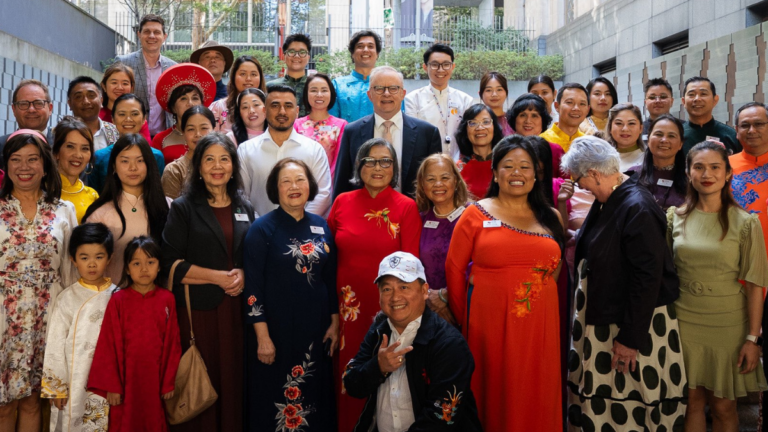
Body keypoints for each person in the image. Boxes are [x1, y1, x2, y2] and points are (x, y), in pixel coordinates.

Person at [561, 136, 686, 430]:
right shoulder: (612, 199)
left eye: (580, 180)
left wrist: (630, 339)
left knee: (631, 401)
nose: (580, 187)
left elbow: (647, 278)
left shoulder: (636, 206)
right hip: (609, 318)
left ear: (592, 173)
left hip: (632, 326)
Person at [445, 135, 565, 431]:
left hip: (540, 326)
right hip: (489, 325)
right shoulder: (475, 213)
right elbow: (454, 268)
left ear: (536, 176)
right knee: (495, 391)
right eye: (508, 166)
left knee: (535, 390)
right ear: (495, 174)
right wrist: (465, 321)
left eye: (525, 167)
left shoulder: (551, 217)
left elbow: (557, 268)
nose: (517, 173)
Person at [668, 141, 768, 431]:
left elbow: (754, 286)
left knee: (724, 408)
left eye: (715, 167)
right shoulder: (674, 217)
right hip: (684, 321)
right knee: (692, 403)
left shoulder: (746, 223)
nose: (706, 173)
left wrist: (753, 338)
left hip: (729, 325)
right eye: (698, 167)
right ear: (688, 173)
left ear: (728, 174)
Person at [327, 138, 422, 432]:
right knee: (350, 372)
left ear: (394, 168)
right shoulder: (342, 201)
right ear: (359, 165)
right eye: (370, 160)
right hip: (347, 310)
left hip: (391, 308)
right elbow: (330, 256)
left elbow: (411, 267)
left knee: (388, 374)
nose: (377, 167)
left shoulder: (406, 207)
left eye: (385, 161)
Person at [162, 133, 255, 432]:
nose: (218, 166)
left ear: (233, 165)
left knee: (234, 381)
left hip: (237, 312)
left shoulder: (245, 207)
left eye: (224, 159)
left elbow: (249, 256)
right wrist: (218, 278)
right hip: (198, 314)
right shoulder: (183, 207)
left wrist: (242, 271)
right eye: (209, 159)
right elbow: (170, 265)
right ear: (198, 167)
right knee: (202, 382)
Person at [242, 158, 338, 432]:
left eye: (300, 180)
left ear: (310, 185)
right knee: (274, 400)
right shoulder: (261, 229)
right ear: (275, 188)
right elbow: (253, 290)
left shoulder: (322, 225)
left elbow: (329, 278)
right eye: (286, 181)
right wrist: (262, 338)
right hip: (276, 332)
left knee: (315, 396)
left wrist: (335, 321)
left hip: (315, 330)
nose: (294, 186)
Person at [343, 251, 483, 432]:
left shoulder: (449, 344)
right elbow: (352, 385)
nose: (395, 297)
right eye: (387, 289)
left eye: (404, 287)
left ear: (424, 291)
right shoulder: (379, 330)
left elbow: (440, 420)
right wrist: (378, 366)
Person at [0, 130, 77, 432]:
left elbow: (70, 273)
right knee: (4, 404)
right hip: (4, 321)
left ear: (46, 165)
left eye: (33, 159)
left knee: (33, 400)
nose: (24, 167)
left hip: (48, 318)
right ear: (6, 166)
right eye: (16, 159)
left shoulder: (63, 210)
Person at [88, 236, 181, 432]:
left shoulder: (167, 299)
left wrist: (168, 382)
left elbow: (173, 344)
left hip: (155, 380)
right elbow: (108, 344)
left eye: (150, 262)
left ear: (159, 266)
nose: (144, 269)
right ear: (128, 269)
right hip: (125, 380)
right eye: (136, 263)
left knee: (154, 420)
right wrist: (112, 386)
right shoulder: (119, 300)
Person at [41, 223, 117, 432]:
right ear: (73, 260)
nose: (92, 264)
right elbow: (55, 343)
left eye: (99, 257)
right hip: (75, 378)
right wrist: (56, 388)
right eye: (84, 258)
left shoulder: (119, 296)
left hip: (109, 380)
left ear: (110, 258)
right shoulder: (67, 298)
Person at [333, 66, 442, 199]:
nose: (386, 93)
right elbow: (342, 181)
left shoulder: (427, 133)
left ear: (403, 94)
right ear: (370, 95)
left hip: (413, 214)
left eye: (393, 88)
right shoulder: (352, 132)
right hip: (365, 214)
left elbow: (436, 182)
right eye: (379, 88)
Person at [84, 134, 170, 283]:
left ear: (149, 165)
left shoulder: (168, 206)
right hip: (113, 299)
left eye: (140, 160)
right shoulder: (100, 215)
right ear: (114, 167)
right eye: (125, 161)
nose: (133, 168)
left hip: (157, 299)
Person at [728, 102, 768, 422]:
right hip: (736, 280)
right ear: (736, 129)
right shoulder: (722, 167)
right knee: (737, 363)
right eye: (745, 125)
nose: (752, 131)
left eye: (759, 124)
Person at [238, 85, 332, 217]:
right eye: (275, 105)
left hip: (303, 232)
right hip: (259, 232)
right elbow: (242, 195)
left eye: (288, 106)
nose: (282, 111)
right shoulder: (246, 150)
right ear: (265, 110)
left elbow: (323, 194)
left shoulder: (314, 150)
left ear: (297, 111)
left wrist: (298, 224)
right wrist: (262, 226)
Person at [415, 153, 469, 325]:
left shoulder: (474, 216)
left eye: (445, 177)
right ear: (423, 185)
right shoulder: (420, 219)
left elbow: (481, 264)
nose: (438, 184)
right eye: (430, 179)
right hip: (427, 308)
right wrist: (430, 297)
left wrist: (444, 296)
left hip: (465, 307)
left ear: (456, 181)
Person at [404, 44, 476, 157]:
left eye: (446, 64)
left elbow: (471, 135)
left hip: (458, 164)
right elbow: (413, 136)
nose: (441, 69)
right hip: (426, 162)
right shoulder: (413, 99)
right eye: (434, 64)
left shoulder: (465, 100)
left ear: (453, 66)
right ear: (425, 67)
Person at [115, 14, 177, 137]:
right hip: (130, 135)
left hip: (164, 138)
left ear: (164, 37)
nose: (152, 36)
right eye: (147, 31)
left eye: (157, 32)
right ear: (139, 35)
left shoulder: (173, 68)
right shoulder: (123, 62)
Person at [91, 94, 166, 193]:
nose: (128, 119)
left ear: (144, 119)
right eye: (122, 114)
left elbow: (157, 193)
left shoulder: (156, 157)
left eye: (134, 114)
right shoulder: (100, 157)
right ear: (113, 119)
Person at [151, 64, 216, 164]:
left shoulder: (212, 134)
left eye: (195, 98)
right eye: (183, 98)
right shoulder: (160, 139)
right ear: (173, 107)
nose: (190, 103)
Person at [294, 73, 347, 179]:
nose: (319, 94)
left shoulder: (341, 125)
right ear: (306, 94)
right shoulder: (296, 124)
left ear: (331, 94)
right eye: (313, 90)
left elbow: (339, 161)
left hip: (329, 185)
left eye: (324, 90)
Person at [630, 114, 687, 211]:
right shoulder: (632, 174)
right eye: (659, 134)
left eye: (671, 136)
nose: (664, 140)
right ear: (648, 140)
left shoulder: (690, 178)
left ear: (680, 144)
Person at [162, 105, 215, 199]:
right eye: (191, 129)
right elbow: (171, 211)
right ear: (184, 133)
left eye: (204, 128)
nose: (198, 134)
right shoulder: (174, 170)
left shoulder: (222, 165)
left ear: (214, 130)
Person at [507, 93, 565, 178]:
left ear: (543, 121)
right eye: (523, 115)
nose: (528, 121)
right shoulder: (505, 149)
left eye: (534, 115)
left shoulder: (555, 151)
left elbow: (565, 185)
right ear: (514, 119)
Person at [53, 116, 99, 222]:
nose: (78, 155)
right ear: (56, 152)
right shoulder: (41, 192)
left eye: (85, 149)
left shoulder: (92, 196)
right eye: (70, 146)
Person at [328, 30, 381, 123]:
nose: (365, 50)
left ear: (377, 54)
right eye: (360, 46)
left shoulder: (388, 85)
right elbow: (331, 122)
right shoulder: (337, 85)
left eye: (370, 46)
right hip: (345, 137)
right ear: (352, 53)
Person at [0, 79, 55, 167]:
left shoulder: (63, 145)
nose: (31, 109)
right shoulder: (1, 146)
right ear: (14, 109)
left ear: (50, 108)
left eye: (38, 103)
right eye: (24, 104)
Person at [454, 104, 503, 200]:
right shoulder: (457, 169)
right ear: (465, 130)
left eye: (486, 122)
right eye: (473, 123)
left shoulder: (505, 164)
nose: (480, 128)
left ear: (494, 127)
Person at [682, 76, 740, 155]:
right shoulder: (677, 135)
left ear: (715, 100)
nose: (697, 99)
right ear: (683, 101)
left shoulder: (731, 135)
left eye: (703, 94)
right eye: (691, 94)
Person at [210, 56, 268, 134]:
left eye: (253, 74)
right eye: (243, 74)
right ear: (233, 77)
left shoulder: (270, 107)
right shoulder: (218, 108)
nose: (248, 78)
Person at [100, 62, 152, 141]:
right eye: (114, 83)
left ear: (131, 87)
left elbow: (146, 149)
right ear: (104, 86)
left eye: (125, 83)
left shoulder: (138, 117)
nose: (120, 87)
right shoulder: (97, 117)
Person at [67, 76, 119, 152]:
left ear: (101, 100)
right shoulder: (59, 134)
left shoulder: (116, 132)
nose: (86, 101)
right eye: (78, 97)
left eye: (91, 96)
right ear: (70, 104)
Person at [267, 34, 312, 117]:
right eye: (291, 52)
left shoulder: (314, 87)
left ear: (308, 57)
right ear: (284, 56)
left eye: (302, 52)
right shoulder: (270, 87)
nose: (296, 56)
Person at [540, 82, 590, 153]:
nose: (576, 108)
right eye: (569, 102)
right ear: (557, 106)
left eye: (582, 104)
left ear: (588, 109)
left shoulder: (588, 144)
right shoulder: (543, 141)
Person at [606, 103, 646, 171]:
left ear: (640, 128)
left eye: (631, 123)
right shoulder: (600, 158)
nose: (625, 129)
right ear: (610, 128)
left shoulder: (649, 159)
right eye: (619, 123)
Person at [480, 71, 514, 136]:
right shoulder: (474, 122)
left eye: (499, 90)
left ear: (506, 93)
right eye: (488, 90)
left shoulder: (513, 121)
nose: (494, 94)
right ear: (480, 94)